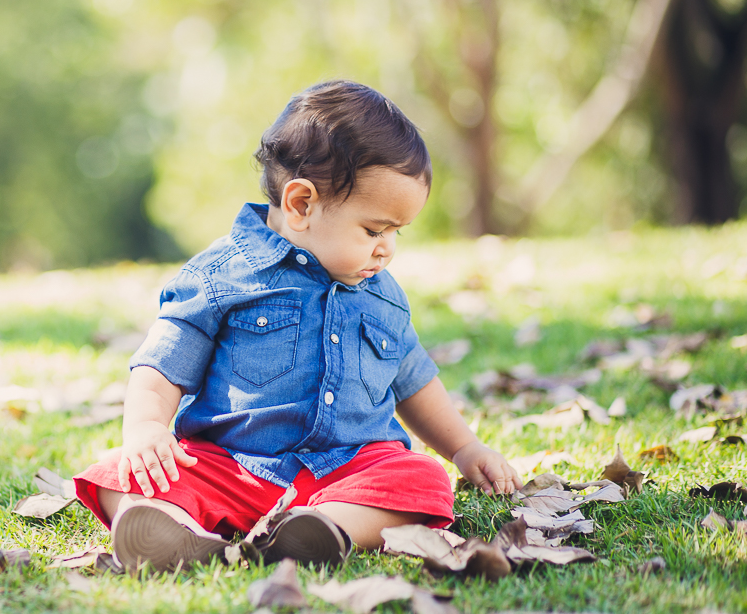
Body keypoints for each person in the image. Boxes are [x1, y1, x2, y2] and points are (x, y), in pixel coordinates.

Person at [73, 80, 521, 572]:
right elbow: (163, 363)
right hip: (231, 468)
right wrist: (144, 429)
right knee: (126, 474)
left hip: (347, 474)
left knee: (422, 480)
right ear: (301, 205)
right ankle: (163, 527)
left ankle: (319, 530)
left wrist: (463, 447)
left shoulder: (383, 293)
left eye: (396, 233)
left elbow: (414, 379)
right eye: (374, 230)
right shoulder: (223, 274)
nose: (387, 248)